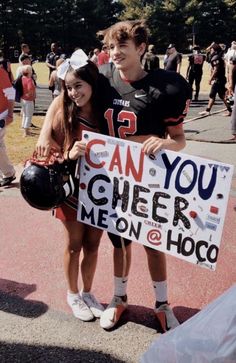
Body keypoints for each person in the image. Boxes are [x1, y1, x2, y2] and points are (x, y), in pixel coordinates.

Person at [96, 20, 192, 331]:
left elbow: (179, 139)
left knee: (153, 241)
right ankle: (119, 297)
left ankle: (162, 303)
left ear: (140, 48)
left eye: (121, 46)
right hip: (113, 177)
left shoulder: (165, 86)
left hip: (148, 179)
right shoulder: (103, 79)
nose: (114, 53)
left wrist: (165, 142)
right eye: (111, 47)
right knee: (119, 242)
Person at [36, 49, 104, 321]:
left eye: (79, 86)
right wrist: (69, 155)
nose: (74, 92)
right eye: (69, 87)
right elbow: (46, 152)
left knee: (93, 245)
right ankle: (73, 293)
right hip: (71, 189)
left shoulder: (106, 107)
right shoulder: (64, 111)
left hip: (101, 191)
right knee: (74, 244)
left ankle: (88, 292)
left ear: (91, 82)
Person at [199, 43, 232, 117]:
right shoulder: (217, 57)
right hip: (221, 79)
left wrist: (210, 79)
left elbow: (216, 70)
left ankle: (207, 111)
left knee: (212, 94)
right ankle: (230, 110)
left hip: (219, 79)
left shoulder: (216, 58)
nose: (210, 50)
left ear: (215, 50)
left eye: (212, 49)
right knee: (222, 96)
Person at [0, 66, 16, 187]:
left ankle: (8, 173)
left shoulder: (0, 72)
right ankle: (8, 172)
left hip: (2, 114)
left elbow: (11, 92)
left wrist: (10, 114)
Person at [20, 65, 36, 137]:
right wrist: (32, 96)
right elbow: (30, 89)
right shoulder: (29, 79)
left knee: (25, 114)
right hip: (28, 99)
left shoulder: (22, 78)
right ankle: (26, 131)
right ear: (29, 72)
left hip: (23, 98)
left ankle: (24, 128)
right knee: (28, 115)